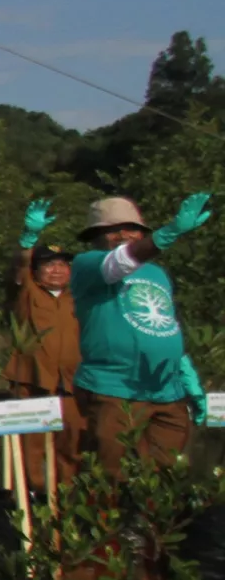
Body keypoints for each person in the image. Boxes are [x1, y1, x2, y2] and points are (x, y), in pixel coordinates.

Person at [69, 192, 211, 474]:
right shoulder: (88, 264)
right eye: (113, 229)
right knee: (109, 474)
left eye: (132, 227)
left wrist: (185, 373)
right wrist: (168, 233)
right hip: (114, 388)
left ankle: (148, 520)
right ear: (96, 236)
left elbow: (164, 324)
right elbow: (119, 263)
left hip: (167, 391)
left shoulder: (157, 273)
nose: (124, 234)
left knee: (164, 477)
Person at [5, 197, 82, 476]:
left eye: (63, 264)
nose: (57, 269)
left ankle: (68, 507)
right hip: (33, 380)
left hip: (74, 384)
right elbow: (20, 265)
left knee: (73, 446)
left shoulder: (80, 297)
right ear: (37, 271)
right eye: (49, 264)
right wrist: (29, 238)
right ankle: (32, 501)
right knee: (31, 451)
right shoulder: (28, 292)